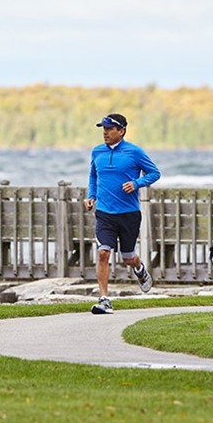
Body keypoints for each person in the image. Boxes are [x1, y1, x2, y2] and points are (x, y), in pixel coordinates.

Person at [84, 113, 161, 314]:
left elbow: (154, 173)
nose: (105, 133)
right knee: (103, 253)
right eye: (104, 129)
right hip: (104, 213)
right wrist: (91, 195)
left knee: (128, 257)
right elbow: (93, 175)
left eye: (110, 129)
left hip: (129, 214)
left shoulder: (134, 152)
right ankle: (104, 299)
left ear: (122, 131)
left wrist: (136, 183)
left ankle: (140, 269)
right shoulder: (97, 152)